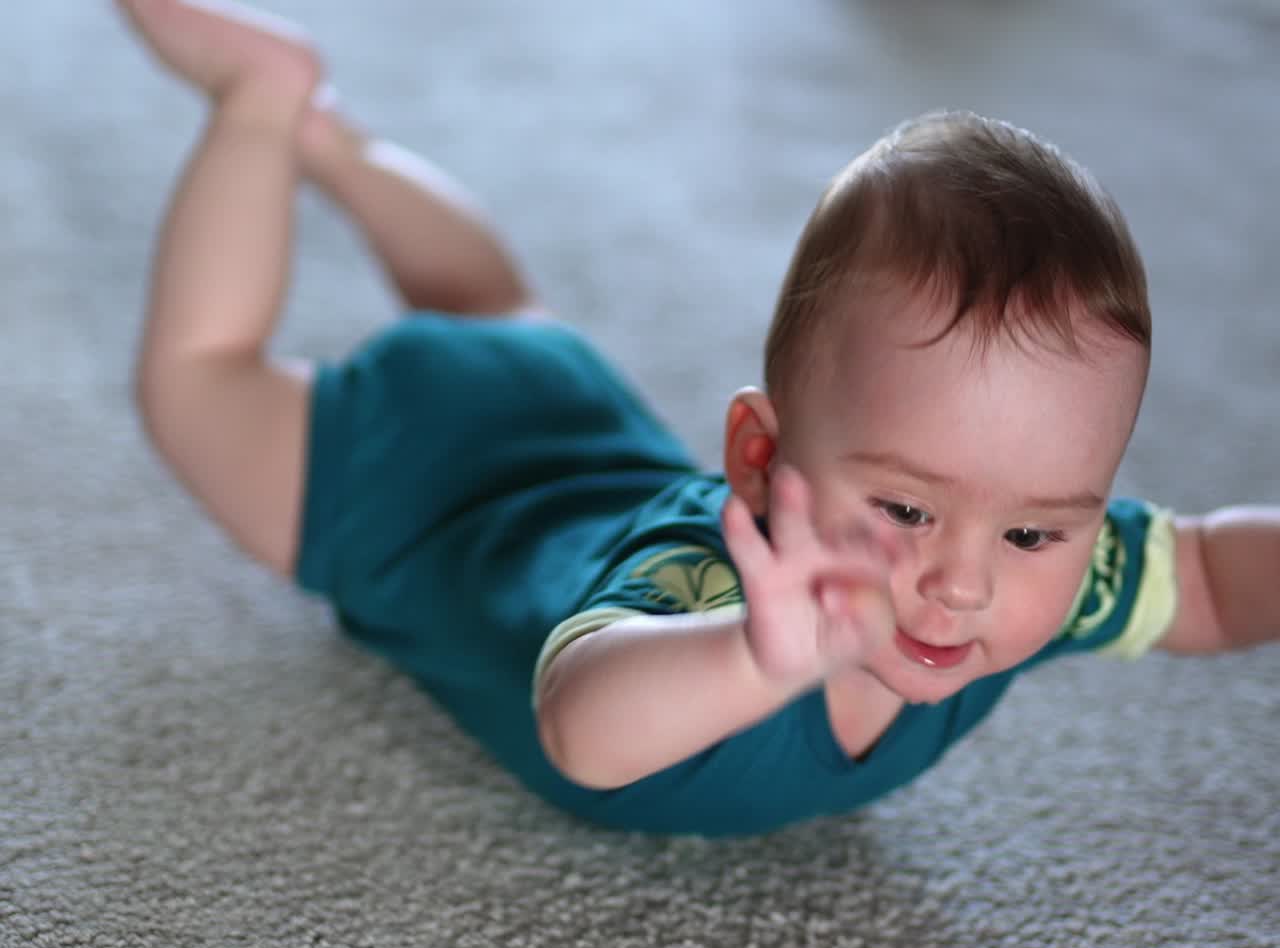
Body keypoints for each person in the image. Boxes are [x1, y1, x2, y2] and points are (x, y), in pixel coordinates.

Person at [116, 0, 1280, 837]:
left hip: (553, 400)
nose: (961, 581)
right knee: (198, 376)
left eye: (1032, 532)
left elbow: (1215, 579)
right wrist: (750, 656)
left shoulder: (1045, 573)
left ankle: (341, 143)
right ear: (759, 461)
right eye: (905, 509)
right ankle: (262, 107)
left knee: (495, 309)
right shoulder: (707, 590)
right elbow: (583, 727)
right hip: (418, 495)